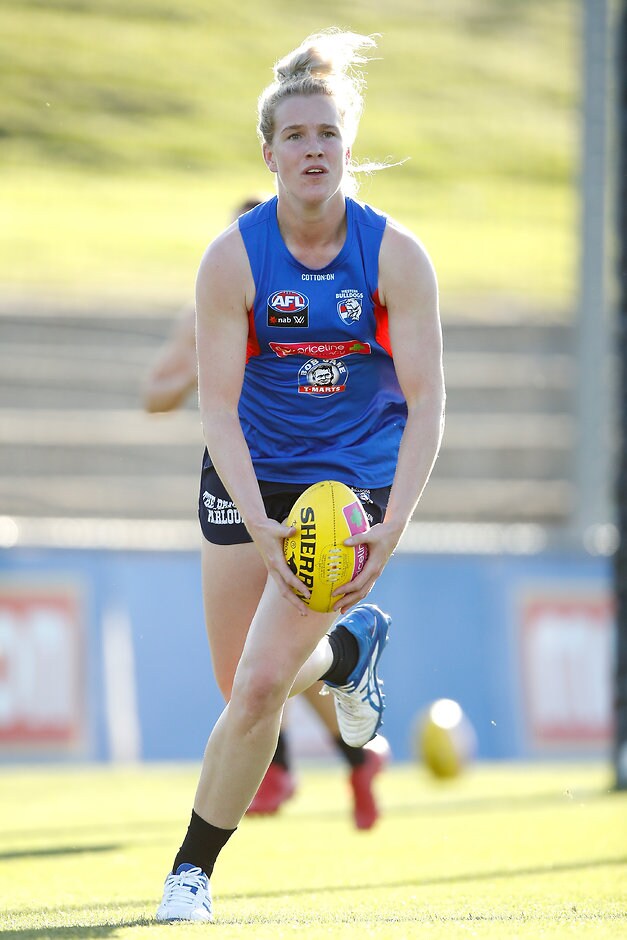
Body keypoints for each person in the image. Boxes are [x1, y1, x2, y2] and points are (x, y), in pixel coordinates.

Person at [156, 27, 445, 923]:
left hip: (346, 486)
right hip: (246, 477)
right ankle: (348, 653)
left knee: (255, 690)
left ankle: (189, 876)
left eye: (326, 134)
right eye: (295, 136)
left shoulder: (395, 256)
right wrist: (261, 522)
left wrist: (388, 527)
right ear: (269, 151)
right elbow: (214, 412)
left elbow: (428, 404)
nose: (312, 150)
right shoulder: (231, 259)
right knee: (240, 681)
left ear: (346, 147)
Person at [142, 198, 391, 829]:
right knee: (247, 671)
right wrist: (210, 367)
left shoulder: (349, 284)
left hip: (306, 480)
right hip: (236, 476)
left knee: (266, 664)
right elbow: (155, 395)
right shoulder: (215, 295)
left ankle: (283, 767)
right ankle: (351, 736)